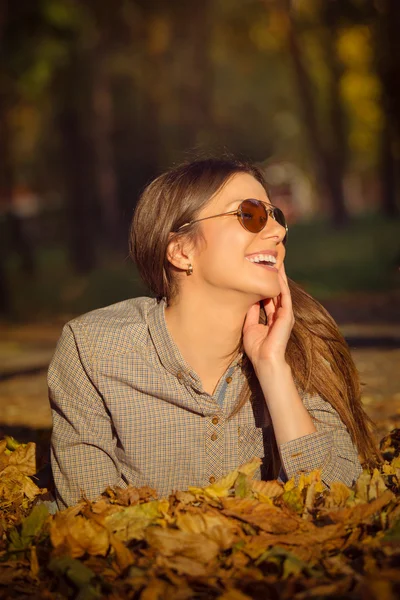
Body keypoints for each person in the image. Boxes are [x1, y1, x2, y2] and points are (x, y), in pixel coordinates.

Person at [48, 157, 382, 511]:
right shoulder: (93, 350)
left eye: (276, 216)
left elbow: (338, 503)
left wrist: (273, 369)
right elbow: (88, 517)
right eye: (250, 214)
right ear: (181, 250)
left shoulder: (302, 341)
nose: (279, 232)